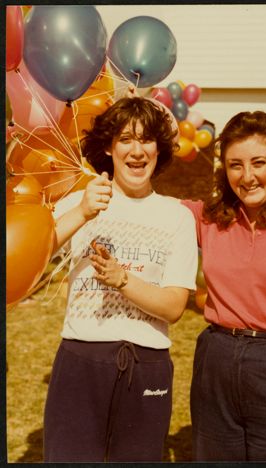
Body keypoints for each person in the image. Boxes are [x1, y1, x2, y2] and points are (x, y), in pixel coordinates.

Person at [43, 97, 198, 462]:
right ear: (109, 148)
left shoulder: (176, 216)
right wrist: (81, 212)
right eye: (125, 139)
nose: (136, 150)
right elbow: (33, 258)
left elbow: (174, 306)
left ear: (159, 150)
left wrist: (123, 280)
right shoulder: (82, 201)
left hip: (148, 365)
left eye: (146, 140)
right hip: (81, 360)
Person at [182, 110, 266, 462]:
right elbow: (144, 204)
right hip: (217, 361)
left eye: (259, 162)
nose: (248, 176)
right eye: (235, 165)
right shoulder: (211, 218)